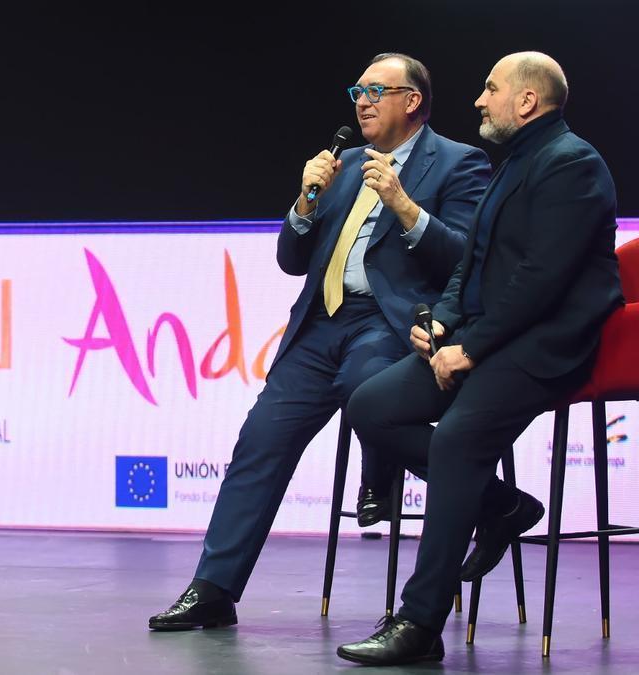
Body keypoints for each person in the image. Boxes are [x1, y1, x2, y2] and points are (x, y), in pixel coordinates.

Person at [148, 53, 491, 631]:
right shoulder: (343, 163)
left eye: (376, 90)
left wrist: (404, 207)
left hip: (389, 323)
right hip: (319, 325)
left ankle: (397, 482)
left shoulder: (458, 163)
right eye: (357, 89)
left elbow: (466, 260)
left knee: (369, 393)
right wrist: (305, 201)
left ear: (412, 100)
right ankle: (213, 588)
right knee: (259, 441)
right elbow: (290, 260)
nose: (361, 99)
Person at [334, 51, 624, 666]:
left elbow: (542, 280)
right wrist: (442, 320)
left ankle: (419, 623)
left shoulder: (572, 163)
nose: (478, 101)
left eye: (490, 89)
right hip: (489, 333)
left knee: (457, 442)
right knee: (371, 407)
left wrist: (471, 347)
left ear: (526, 100)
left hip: (544, 344)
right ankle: (499, 505)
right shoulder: (514, 161)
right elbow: (474, 262)